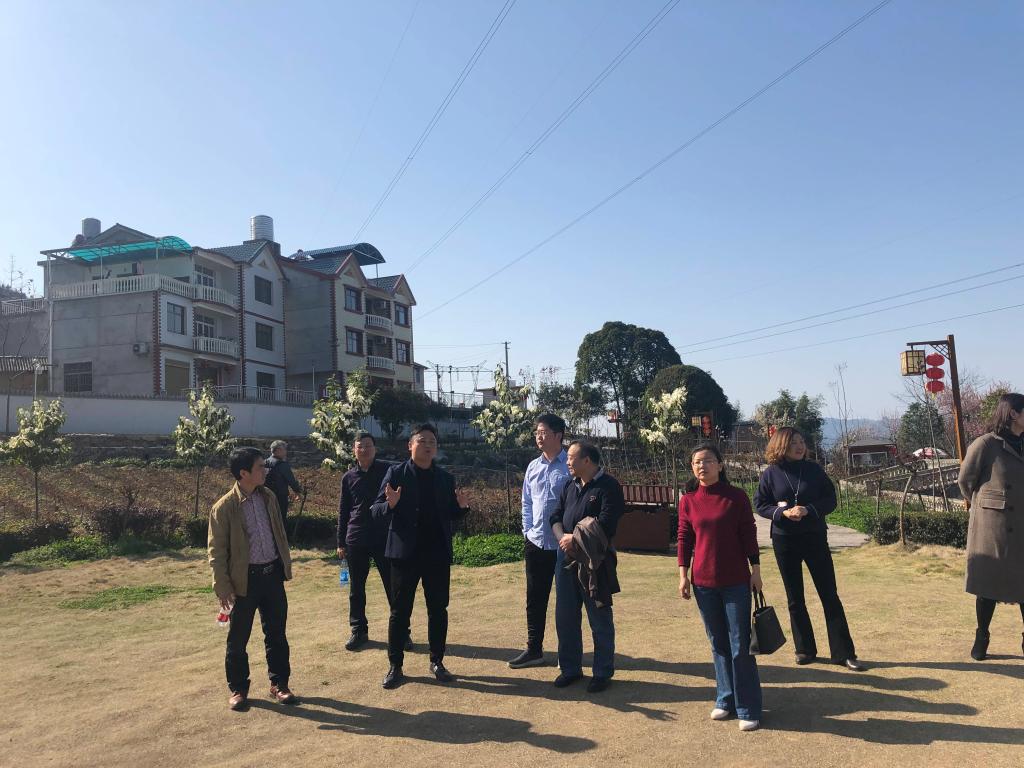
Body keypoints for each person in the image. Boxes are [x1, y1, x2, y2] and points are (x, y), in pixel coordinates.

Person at [371, 424, 471, 689]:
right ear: (410, 445)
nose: (428, 446)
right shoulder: (396, 473)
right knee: (399, 611)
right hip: (404, 555)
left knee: (438, 609)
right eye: (422, 441)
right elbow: (375, 510)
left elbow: (450, 514)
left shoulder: (445, 478)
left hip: (436, 554)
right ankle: (395, 666)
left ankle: (437, 661)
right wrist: (390, 504)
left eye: (432, 442)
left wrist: (462, 508)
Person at [754, 427, 863, 671]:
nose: (800, 446)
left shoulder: (814, 470)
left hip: (814, 537)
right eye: (793, 442)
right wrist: (782, 513)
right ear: (781, 445)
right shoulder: (771, 473)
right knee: (795, 597)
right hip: (784, 540)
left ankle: (844, 653)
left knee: (829, 594)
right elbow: (760, 504)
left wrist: (808, 510)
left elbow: (830, 499)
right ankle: (804, 649)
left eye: (802, 441)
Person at [679, 444, 763, 732]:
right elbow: (684, 538)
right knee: (718, 643)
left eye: (708, 461)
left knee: (740, 645)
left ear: (720, 465)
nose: (702, 466)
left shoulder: (736, 497)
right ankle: (725, 698)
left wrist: (756, 570)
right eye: (696, 462)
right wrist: (683, 575)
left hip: (736, 581)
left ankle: (748, 707)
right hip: (703, 582)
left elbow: (748, 533)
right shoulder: (688, 501)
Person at [208, 447, 298, 711]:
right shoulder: (224, 507)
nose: (265, 470)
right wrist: (222, 586)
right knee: (238, 639)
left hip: (272, 576)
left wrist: (284, 564)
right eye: (260, 466)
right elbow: (216, 551)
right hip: (243, 581)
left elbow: (279, 533)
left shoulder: (268, 496)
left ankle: (279, 684)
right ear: (243, 473)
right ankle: (238, 688)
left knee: (277, 634)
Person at [549, 440, 624, 693]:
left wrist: (575, 539)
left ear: (587, 460)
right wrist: (562, 538)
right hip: (565, 558)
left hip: (595, 561)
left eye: (571, 457)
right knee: (566, 616)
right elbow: (555, 515)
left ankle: (602, 672)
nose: (567, 461)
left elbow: (607, 523)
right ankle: (570, 668)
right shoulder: (569, 485)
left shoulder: (608, 486)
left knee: (599, 616)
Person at [958, 392, 1024, 660]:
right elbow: (965, 481)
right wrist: (987, 506)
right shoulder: (986, 444)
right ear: (1014, 414)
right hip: (994, 528)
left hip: (1022, 525)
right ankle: (982, 635)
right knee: (988, 588)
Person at [337, 433, 412, 652]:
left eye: (368, 446)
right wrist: (340, 541)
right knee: (356, 589)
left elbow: (401, 500)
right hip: (356, 538)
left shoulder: (389, 472)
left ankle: (402, 632)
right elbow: (343, 510)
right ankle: (358, 630)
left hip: (384, 537)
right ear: (354, 450)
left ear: (375, 449)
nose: (364, 450)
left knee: (393, 587)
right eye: (360, 446)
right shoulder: (348, 477)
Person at [508, 414, 570, 669]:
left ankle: (568, 653)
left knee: (567, 601)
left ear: (558, 435)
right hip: (536, 543)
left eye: (543, 432)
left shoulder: (570, 465)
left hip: (565, 545)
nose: (539, 437)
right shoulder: (533, 467)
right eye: (537, 433)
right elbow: (526, 502)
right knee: (535, 599)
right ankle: (534, 649)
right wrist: (527, 531)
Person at [265, 440, 303, 526]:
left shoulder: (264, 462)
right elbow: (291, 480)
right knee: (280, 521)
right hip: (280, 498)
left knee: (267, 520)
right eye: (285, 449)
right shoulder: (282, 465)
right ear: (278, 450)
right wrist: (298, 492)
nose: (286, 451)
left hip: (265, 496)